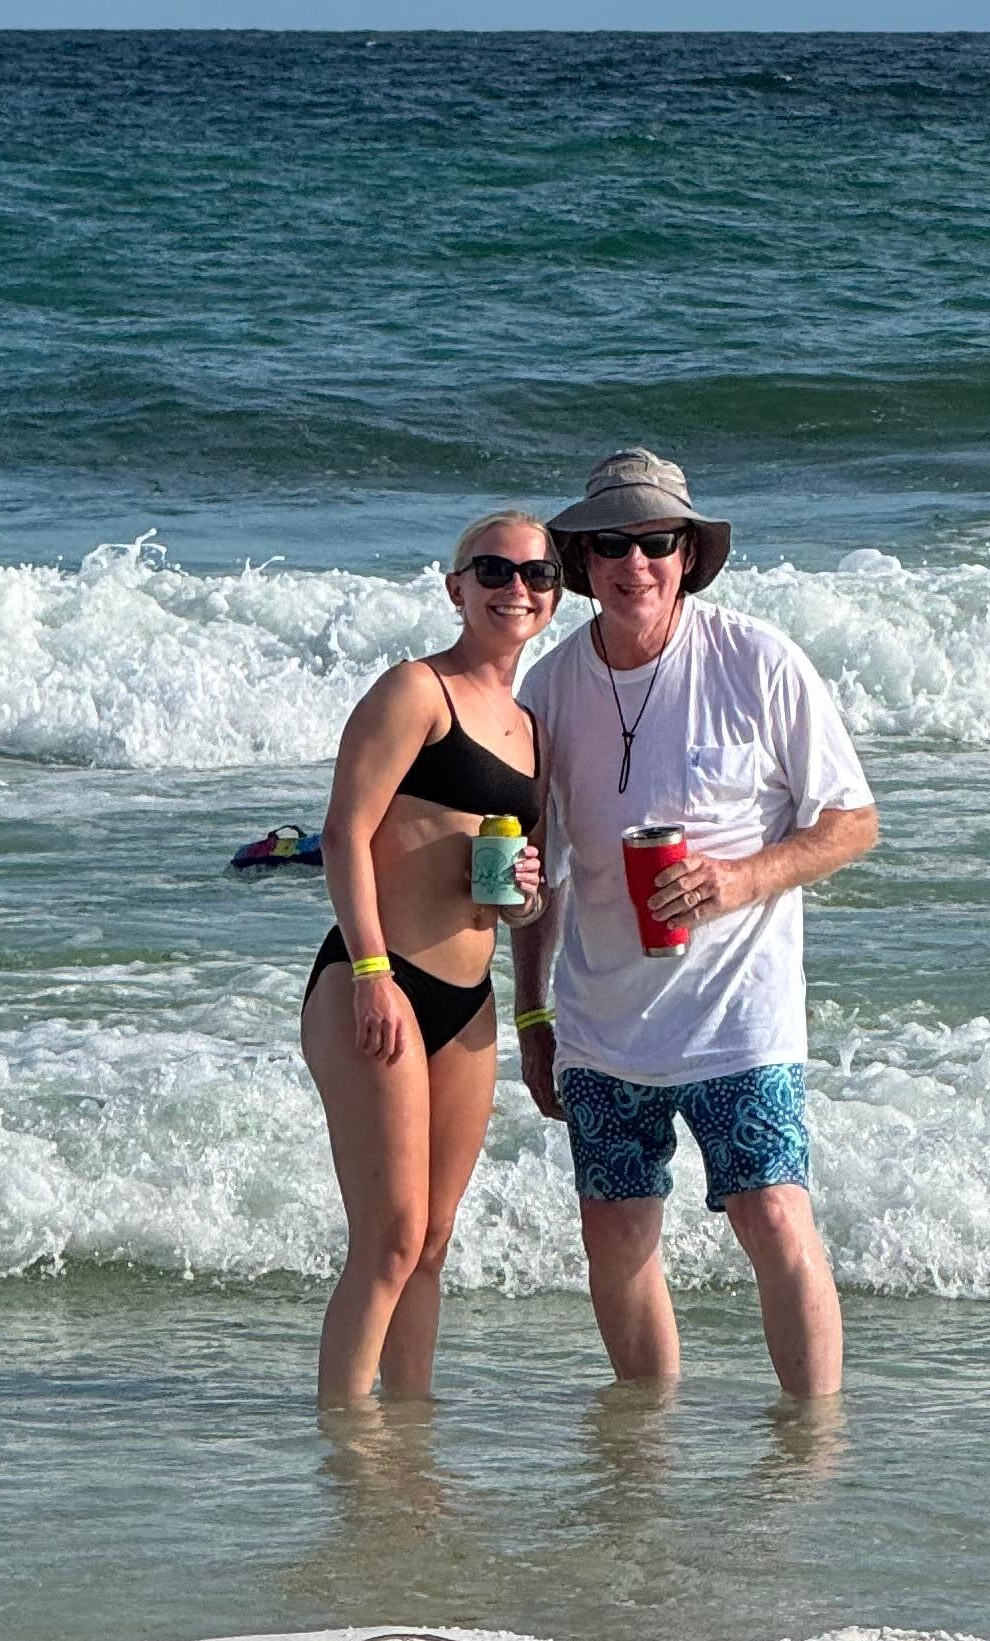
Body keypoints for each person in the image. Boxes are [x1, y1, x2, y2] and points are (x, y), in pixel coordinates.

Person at [511, 449, 876, 1398]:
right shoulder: (546, 692)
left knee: (772, 1214)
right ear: (584, 561)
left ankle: (811, 1446)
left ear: (688, 554)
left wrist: (742, 879)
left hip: (738, 1022)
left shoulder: (757, 659)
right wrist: (531, 1017)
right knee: (616, 1235)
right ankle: (643, 1449)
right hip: (598, 1023)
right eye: (615, 545)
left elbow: (851, 822)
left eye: (658, 543)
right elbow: (533, 872)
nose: (637, 565)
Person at [299, 510, 559, 1405]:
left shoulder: (532, 728)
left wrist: (524, 899)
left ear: (553, 599)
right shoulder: (417, 691)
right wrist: (372, 975)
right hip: (378, 981)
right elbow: (342, 835)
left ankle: (407, 1429)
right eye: (492, 570)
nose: (513, 588)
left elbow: (521, 897)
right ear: (456, 587)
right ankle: (346, 1446)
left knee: (436, 1239)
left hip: (468, 1000)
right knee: (390, 1238)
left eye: (534, 574)